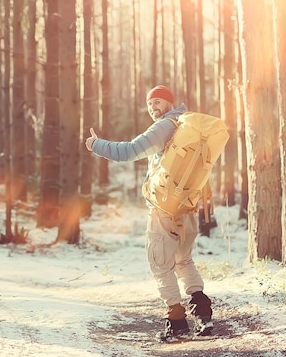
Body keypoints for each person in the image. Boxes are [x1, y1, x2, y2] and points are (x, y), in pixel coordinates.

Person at [84, 85, 213, 341]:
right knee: (183, 261)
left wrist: (96, 145)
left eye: (158, 102)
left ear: (169, 103)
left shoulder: (165, 127)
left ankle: (176, 323)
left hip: (164, 210)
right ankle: (203, 314)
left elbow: (130, 150)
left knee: (160, 265)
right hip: (187, 207)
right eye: (150, 103)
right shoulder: (187, 127)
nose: (153, 107)